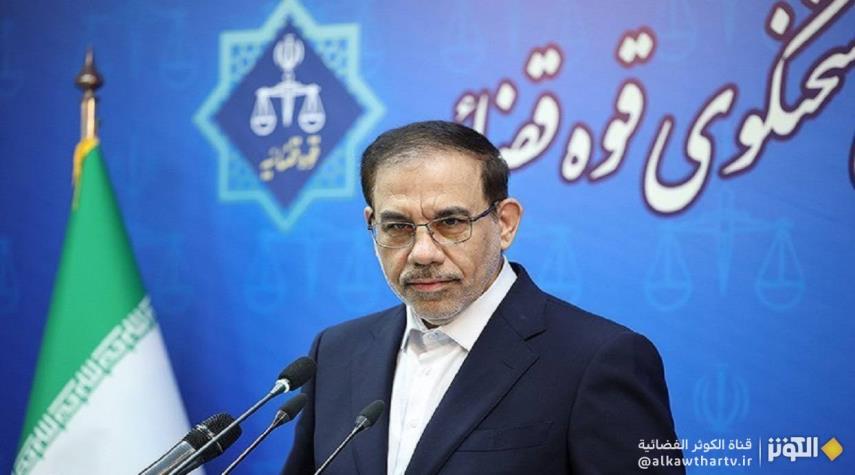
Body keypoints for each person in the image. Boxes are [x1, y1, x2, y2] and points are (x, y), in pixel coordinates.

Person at [283, 121, 683, 474]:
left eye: (451, 222)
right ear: (372, 226)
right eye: (398, 227)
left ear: (505, 223)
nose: (423, 253)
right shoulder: (335, 353)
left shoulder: (599, 359)